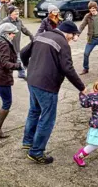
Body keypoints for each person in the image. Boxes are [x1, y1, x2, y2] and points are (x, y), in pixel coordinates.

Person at [20, 21, 86, 164]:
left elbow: (23, 52)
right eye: (73, 35)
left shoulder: (41, 35)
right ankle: (36, 151)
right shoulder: (63, 43)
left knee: (34, 111)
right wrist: (82, 87)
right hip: (47, 85)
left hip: (32, 80)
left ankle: (28, 141)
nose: (73, 39)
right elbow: (68, 68)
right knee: (47, 118)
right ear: (68, 33)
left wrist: (28, 67)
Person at [0, 6, 34, 79]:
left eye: (17, 11)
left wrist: (31, 35)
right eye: (15, 11)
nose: (17, 12)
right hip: (6, 45)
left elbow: (24, 29)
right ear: (10, 13)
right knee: (5, 59)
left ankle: (22, 74)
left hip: (16, 45)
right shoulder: (5, 20)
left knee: (18, 58)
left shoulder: (19, 20)